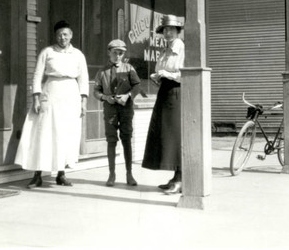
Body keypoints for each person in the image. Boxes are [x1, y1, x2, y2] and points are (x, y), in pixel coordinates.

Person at [15, 20, 89, 188]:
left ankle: (61, 174)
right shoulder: (47, 52)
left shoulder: (78, 55)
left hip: (71, 96)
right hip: (50, 94)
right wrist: (36, 98)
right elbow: (37, 75)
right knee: (43, 133)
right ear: (55, 36)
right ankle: (37, 175)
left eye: (65, 34)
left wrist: (83, 102)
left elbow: (83, 79)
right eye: (59, 35)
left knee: (64, 134)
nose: (62, 38)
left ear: (71, 35)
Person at [142, 14, 184, 195]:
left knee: (175, 136)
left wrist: (168, 74)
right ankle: (176, 177)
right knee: (165, 136)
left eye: (171, 30)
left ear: (177, 31)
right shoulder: (165, 50)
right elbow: (162, 70)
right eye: (165, 30)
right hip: (164, 93)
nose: (167, 33)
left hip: (176, 93)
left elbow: (184, 74)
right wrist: (157, 76)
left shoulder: (181, 48)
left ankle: (181, 178)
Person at [94, 39, 141, 187]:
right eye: (115, 53)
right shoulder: (102, 71)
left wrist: (127, 96)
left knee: (126, 138)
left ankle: (129, 173)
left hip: (126, 108)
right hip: (110, 109)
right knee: (111, 140)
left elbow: (137, 86)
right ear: (109, 53)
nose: (118, 56)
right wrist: (105, 97)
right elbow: (96, 91)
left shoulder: (129, 68)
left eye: (121, 53)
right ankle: (112, 174)